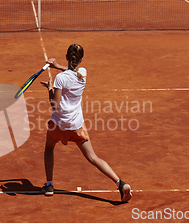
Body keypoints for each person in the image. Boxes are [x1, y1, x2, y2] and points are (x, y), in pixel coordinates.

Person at [40, 44, 132, 202]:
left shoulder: (60, 79)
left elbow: (54, 105)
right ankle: (121, 184)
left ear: (67, 56)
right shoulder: (83, 73)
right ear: (80, 59)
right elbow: (73, 73)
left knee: (49, 147)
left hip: (58, 125)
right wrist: (57, 67)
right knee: (93, 157)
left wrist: (50, 88)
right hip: (76, 126)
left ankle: (49, 185)